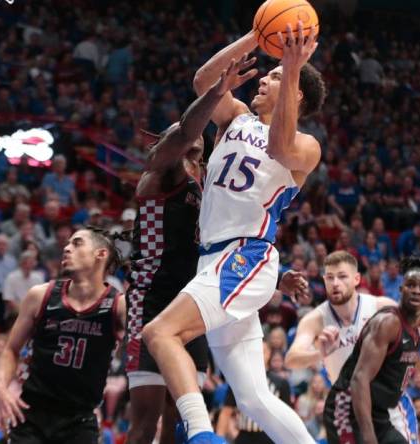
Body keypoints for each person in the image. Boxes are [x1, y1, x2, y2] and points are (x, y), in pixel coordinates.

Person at [143, 21, 326, 444]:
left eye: (275, 75)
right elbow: (204, 82)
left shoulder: (306, 145)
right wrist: (256, 36)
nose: (264, 76)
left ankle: (202, 435)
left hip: (246, 256)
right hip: (213, 260)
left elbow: (280, 148)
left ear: (296, 93)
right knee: (254, 399)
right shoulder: (238, 117)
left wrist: (293, 66)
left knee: (160, 332)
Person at [125, 56, 256, 444]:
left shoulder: (207, 186)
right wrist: (218, 92)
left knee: (179, 421)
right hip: (151, 299)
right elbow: (184, 132)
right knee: (145, 420)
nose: (192, 148)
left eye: (200, 149)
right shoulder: (160, 170)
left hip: (193, 300)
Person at [285, 251, 420, 443]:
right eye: (330, 277)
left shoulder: (379, 306)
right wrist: (320, 353)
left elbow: (413, 333)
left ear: (356, 279)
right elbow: (292, 358)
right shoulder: (316, 319)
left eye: (342, 276)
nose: (335, 283)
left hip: (388, 407)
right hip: (348, 407)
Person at [0, 226, 126, 443]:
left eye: (77, 243)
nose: (66, 248)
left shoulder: (119, 305)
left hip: (80, 419)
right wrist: (0, 387)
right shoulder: (40, 295)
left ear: (100, 254)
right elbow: (10, 349)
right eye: (67, 243)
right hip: (31, 413)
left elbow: (148, 339)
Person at [323, 257, 420, 444]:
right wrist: (369, 436)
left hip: (376, 412)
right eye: (411, 285)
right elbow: (359, 379)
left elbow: (410, 352)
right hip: (348, 409)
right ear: (401, 289)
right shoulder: (388, 322)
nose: (416, 291)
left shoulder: (416, 325)